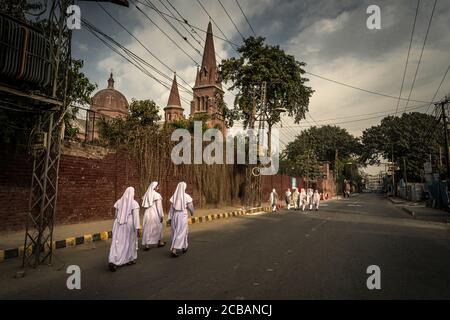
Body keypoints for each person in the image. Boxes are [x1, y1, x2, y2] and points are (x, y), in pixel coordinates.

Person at [108, 187, 141, 272]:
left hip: (118, 224)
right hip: (129, 224)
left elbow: (115, 215)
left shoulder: (119, 202)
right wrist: (137, 228)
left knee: (117, 243)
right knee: (130, 242)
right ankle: (130, 259)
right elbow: (136, 218)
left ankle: (113, 260)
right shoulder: (134, 203)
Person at [168, 182, 194, 257]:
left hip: (174, 215)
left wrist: (169, 218)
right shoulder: (187, 196)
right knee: (181, 232)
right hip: (182, 215)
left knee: (177, 231)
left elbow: (171, 209)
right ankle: (174, 249)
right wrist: (192, 212)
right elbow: (190, 206)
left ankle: (184, 246)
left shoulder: (174, 196)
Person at [141, 181, 166, 250]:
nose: (158, 188)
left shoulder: (146, 194)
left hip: (147, 214)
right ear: (155, 187)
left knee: (147, 228)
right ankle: (159, 242)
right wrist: (161, 216)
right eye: (157, 186)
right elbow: (159, 207)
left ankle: (147, 245)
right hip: (155, 213)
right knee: (158, 227)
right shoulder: (157, 195)